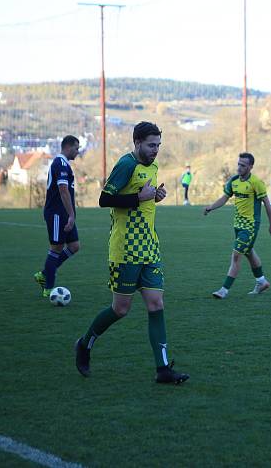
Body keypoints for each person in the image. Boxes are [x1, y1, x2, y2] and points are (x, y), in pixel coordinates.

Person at [74, 122, 188, 385]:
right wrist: (139, 197)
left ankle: (162, 370)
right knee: (121, 309)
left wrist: (154, 196)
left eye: (158, 145)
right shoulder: (126, 165)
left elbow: (144, 198)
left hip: (150, 246)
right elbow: (104, 200)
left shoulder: (153, 165)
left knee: (156, 304)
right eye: (151, 145)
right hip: (125, 249)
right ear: (136, 143)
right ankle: (84, 343)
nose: (155, 150)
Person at [205, 152, 271, 299]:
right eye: (238, 164)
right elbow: (225, 198)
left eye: (243, 165)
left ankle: (224, 290)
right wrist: (211, 207)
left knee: (236, 255)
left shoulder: (256, 183)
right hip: (237, 225)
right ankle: (261, 282)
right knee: (249, 252)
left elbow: (267, 204)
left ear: (250, 167)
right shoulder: (233, 181)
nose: (239, 168)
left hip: (250, 226)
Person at [34, 136, 81, 298]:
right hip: (57, 214)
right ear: (68, 147)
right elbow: (62, 189)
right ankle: (48, 287)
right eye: (76, 148)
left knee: (74, 246)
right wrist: (71, 214)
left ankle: (45, 273)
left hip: (64, 214)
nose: (78, 151)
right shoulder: (60, 163)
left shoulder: (64, 164)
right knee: (56, 248)